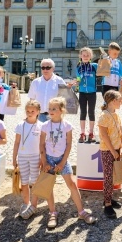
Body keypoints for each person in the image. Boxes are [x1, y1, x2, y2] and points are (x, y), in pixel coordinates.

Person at [40, 97, 97, 228]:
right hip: (48, 159)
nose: (51, 111)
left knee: (71, 184)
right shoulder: (44, 125)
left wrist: (62, 162)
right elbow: (42, 143)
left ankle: (81, 211)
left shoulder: (67, 126)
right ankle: (52, 212)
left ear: (61, 110)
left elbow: (69, 144)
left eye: (54, 108)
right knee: (49, 185)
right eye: (49, 108)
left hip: (62, 159)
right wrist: (44, 161)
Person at [13, 99, 42, 219]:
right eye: (28, 111)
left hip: (36, 157)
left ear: (38, 112)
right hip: (23, 156)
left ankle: (33, 205)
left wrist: (42, 158)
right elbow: (16, 142)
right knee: (24, 181)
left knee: (35, 182)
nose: (30, 113)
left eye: (32, 111)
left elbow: (43, 144)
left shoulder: (41, 126)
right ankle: (26, 203)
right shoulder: (20, 125)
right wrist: (14, 158)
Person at [98, 90, 122, 219]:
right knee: (108, 176)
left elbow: (120, 131)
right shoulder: (104, 115)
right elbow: (104, 135)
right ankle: (107, 203)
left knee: (113, 176)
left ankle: (110, 197)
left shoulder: (116, 114)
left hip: (117, 149)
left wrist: (121, 147)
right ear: (113, 101)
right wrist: (113, 151)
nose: (121, 102)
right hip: (108, 150)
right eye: (119, 100)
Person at [28, 59, 66, 123]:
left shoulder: (60, 81)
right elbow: (32, 99)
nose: (45, 70)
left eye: (48, 67)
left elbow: (64, 99)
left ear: (53, 69)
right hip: (39, 116)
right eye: (43, 68)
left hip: (55, 115)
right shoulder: (35, 82)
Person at [76, 47, 98, 143]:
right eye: (83, 55)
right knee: (83, 112)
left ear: (90, 56)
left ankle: (91, 132)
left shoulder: (94, 66)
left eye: (87, 55)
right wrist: (74, 83)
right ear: (80, 56)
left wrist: (105, 58)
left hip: (92, 92)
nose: (85, 57)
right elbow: (78, 79)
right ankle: (82, 132)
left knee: (91, 112)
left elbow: (105, 68)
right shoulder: (79, 67)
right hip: (82, 92)